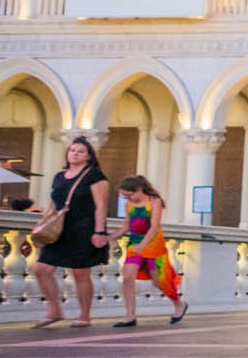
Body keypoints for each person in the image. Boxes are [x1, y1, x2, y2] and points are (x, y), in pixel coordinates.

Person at [32, 134, 111, 328]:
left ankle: (84, 315)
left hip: (83, 228)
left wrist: (99, 232)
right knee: (42, 269)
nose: (75, 154)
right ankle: (54, 310)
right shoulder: (59, 176)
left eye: (80, 151)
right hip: (58, 230)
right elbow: (53, 203)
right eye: (72, 150)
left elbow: (101, 206)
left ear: (89, 156)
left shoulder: (95, 176)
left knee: (80, 273)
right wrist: (40, 226)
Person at [113, 175, 187, 326]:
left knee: (158, 281)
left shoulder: (154, 202)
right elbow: (126, 226)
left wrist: (143, 245)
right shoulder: (129, 204)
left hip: (153, 244)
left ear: (139, 190)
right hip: (134, 242)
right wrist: (109, 238)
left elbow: (154, 226)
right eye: (124, 196)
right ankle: (130, 316)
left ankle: (179, 304)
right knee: (127, 278)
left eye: (129, 195)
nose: (127, 198)